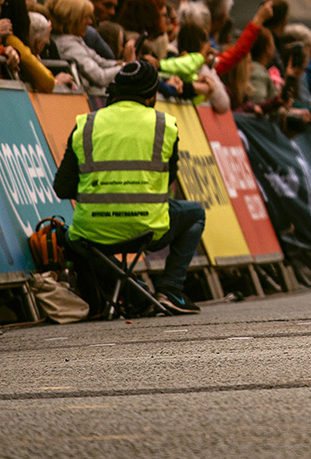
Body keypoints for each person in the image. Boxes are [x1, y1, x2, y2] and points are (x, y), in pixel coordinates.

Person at [50, 59, 206, 314]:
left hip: (93, 230)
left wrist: (101, 192)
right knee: (195, 214)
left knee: (72, 238)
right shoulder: (164, 124)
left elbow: (62, 187)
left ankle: (137, 294)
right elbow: (168, 182)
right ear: (151, 95)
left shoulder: (86, 124)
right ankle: (169, 289)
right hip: (147, 228)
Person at [49, 0, 125, 88]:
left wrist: (121, 63)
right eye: (85, 17)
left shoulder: (74, 40)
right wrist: (126, 68)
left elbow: (101, 62)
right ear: (72, 19)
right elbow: (100, 77)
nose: (89, 22)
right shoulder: (68, 45)